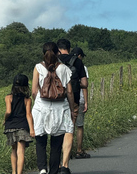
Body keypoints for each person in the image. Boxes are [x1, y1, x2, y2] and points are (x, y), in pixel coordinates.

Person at [32, 42, 76, 174]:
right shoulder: (64, 69)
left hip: (41, 108)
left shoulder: (38, 68)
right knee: (56, 144)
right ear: (58, 53)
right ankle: (54, 170)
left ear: (43, 53)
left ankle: (42, 169)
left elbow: (34, 91)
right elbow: (69, 92)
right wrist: (72, 108)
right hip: (60, 109)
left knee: (41, 140)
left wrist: (38, 102)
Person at [57, 39, 88, 174]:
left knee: (57, 132)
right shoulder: (78, 61)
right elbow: (85, 84)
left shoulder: (54, 60)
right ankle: (65, 164)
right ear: (69, 48)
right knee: (69, 129)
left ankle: (56, 164)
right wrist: (74, 84)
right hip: (73, 100)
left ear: (58, 49)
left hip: (56, 100)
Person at [3, 74, 35, 174]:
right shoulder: (27, 99)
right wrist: (32, 129)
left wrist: (5, 120)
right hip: (22, 126)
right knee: (20, 151)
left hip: (11, 125)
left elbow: (8, 111)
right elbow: (28, 115)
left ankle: (13, 172)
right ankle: (19, 172)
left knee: (13, 150)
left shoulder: (8, 97)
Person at [71, 47, 90, 159]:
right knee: (79, 125)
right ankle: (79, 150)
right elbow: (85, 86)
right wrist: (86, 102)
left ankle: (68, 151)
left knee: (69, 127)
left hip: (67, 99)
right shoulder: (82, 66)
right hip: (80, 99)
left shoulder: (64, 65)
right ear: (79, 56)